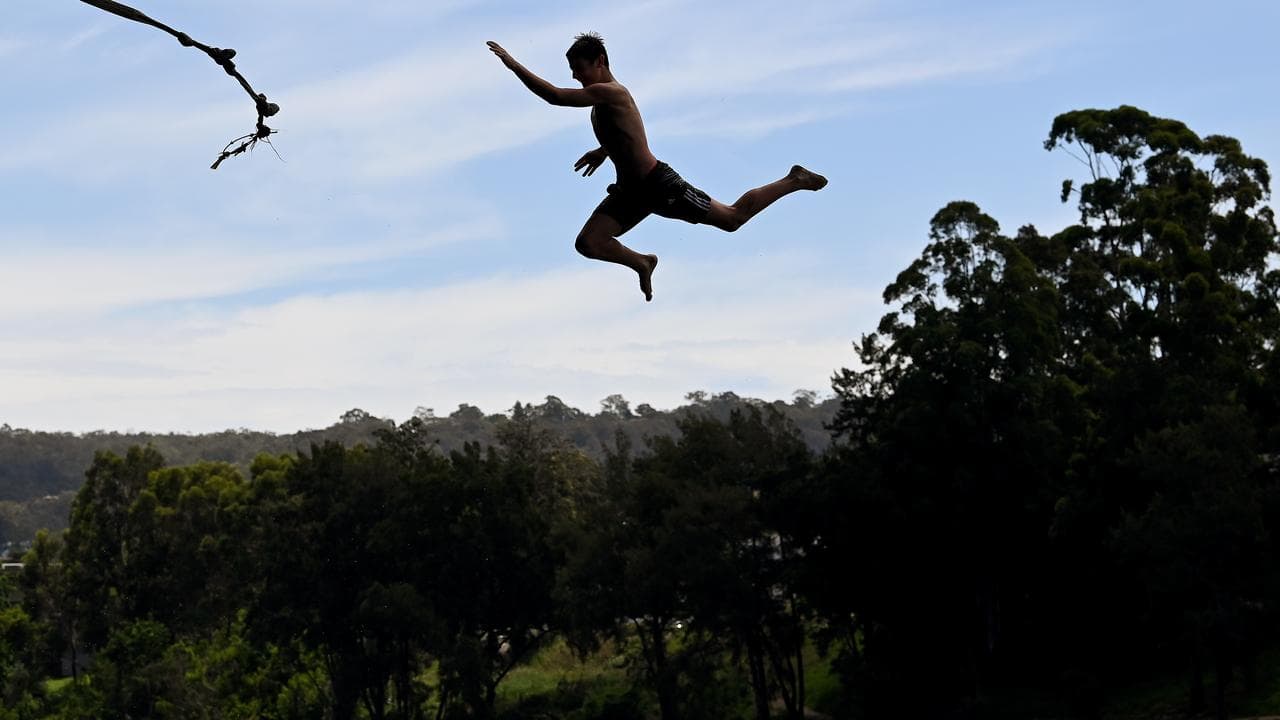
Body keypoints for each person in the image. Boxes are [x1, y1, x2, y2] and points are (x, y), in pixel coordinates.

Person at [487, 33, 826, 302]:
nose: (575, 76)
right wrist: (603, 151)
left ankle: (793, 180)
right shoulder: (602, 98)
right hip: (631, 193)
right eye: (572, 71)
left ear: (600, 62)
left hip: (659, 186)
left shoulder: (611, 92)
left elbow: (555, 97)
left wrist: (513, 64)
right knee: (589, 243)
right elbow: (625, 133)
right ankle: (642, 262)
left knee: (733, 218)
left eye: (580, 68)